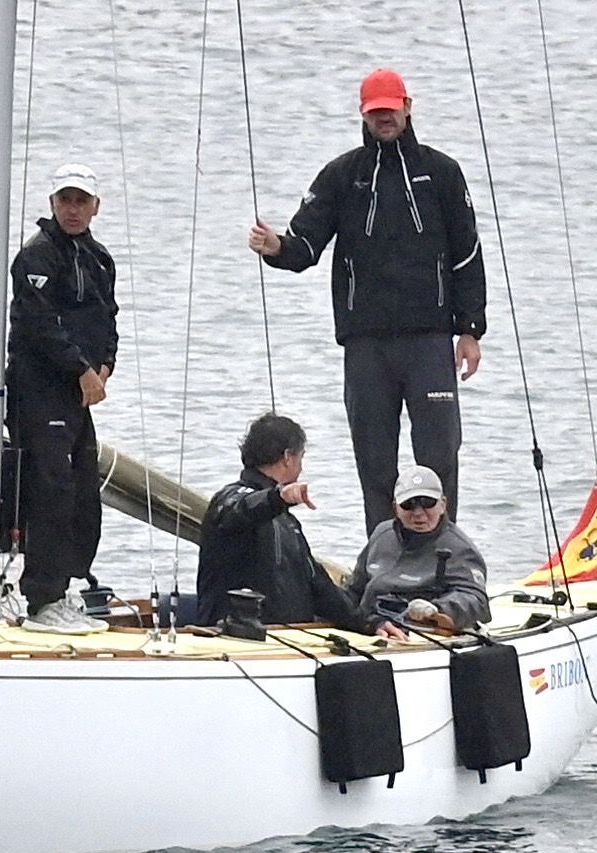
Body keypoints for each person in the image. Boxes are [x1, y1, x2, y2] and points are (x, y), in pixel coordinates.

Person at [248, 67, 486, 536]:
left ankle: (445, 555)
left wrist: (471, 330)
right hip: (366, 345)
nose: (384, 119)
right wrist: (277, 248)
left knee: (439, 456)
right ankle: (383, 560)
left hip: (429, 342)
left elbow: (468, 254)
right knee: (375, 461)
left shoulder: (442, 173)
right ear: (364, 115)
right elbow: (305, 243)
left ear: (407, 107)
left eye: (390, 110)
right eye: (375, 113)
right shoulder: (344, 175)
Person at [6, 162, 118, 635]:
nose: (73, 209)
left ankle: (65, 586)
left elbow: (107, 317)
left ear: (95, 206)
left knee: (82, 492)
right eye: (65, 200)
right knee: (48, 489)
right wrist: (81, 369)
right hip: (40, 389)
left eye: (81, 201)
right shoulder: (36, 257)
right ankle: (42, 596)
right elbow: (39, 324)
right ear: (52, 204)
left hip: (80, 393)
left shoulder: (98, 258)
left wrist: (106, 364)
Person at [196, 413, 360, 628]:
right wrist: (278, 498)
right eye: (301, 457)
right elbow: (242, 509)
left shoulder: (287, 522)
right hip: (232, 636)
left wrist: (367, 623)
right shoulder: (229, 500)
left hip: (287, 637)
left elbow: (318, 585)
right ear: (287, 457)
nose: (301, 468)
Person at [344, 464, 490, 641]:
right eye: (408, 504)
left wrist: (437, 610)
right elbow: (354, 589)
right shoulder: (382, 534)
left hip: (415, 632)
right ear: (395, 508)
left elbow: (476, 600)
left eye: (428, 503)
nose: (418, 513)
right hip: (368, 625)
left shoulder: (459, 548)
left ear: (443, 504)